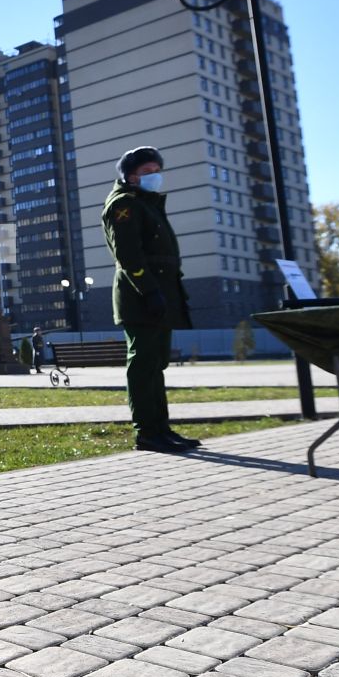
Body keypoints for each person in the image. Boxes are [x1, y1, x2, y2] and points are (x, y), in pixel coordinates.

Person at [102, 146, 200, 453]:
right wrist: (149, 291)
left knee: (156, 364)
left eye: (157, 170)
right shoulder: (124, 204)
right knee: (143, 363)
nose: (155, 176)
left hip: (159, 294)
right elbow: (129, 254)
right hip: (140, 296)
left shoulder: (148, 205)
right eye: (147, 172)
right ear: (131, 177)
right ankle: (146, 431)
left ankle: (161, 428)